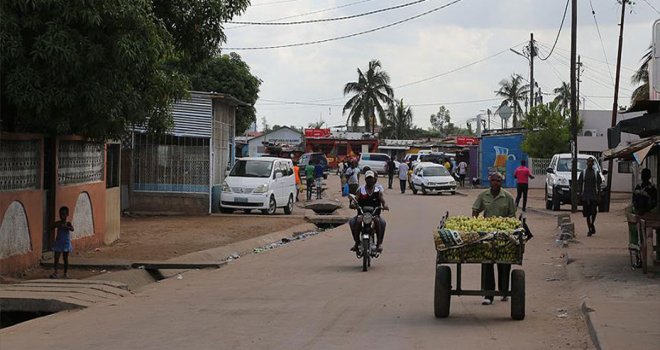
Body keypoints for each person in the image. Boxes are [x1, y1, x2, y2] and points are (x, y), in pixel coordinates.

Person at [472, 172, 516, 305]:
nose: (496, 183)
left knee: (504, 263)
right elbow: (475, 210)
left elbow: (512, 215)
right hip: (487, 234)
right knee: (487, 263)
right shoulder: (483, 195)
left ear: (501, 183)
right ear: (490, 181)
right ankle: (488, 295)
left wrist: (507, 225)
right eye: (494, 180)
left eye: (498, 181)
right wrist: (474, 224)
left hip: (503, 233)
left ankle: (503, 291)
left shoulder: (507, 197)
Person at [349, 170, 389, 252]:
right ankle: (357, 243)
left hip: (374, 215)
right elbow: (355, 199)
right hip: (362, 215)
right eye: (368, 178)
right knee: (353, 222)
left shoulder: (378, 191)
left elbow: (383, 201)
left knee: (381, 222)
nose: (370, 180)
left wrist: (385, 206)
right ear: (365, 179)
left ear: (374, 179)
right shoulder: (361, 190)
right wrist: (353, 204)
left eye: (371, 178)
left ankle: (379, 244)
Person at [577, 158, 602, 236]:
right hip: (585, 196)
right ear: (587, 163)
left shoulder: (596, 173)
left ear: (593, 164)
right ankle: (590, 228)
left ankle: (591, 226)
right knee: (587, 213)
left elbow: (599, 185)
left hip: (594, 195)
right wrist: (579, 196)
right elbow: (580, 185)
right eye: (589, 162)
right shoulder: (583, 173)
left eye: (591, 162)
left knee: (594, 212)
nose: (590, 163)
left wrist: (599, 196)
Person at [51, 206, 74, 279]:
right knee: (56, 257)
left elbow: (72, 229)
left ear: (67, 215)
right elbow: (51, 227)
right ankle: (55, 272)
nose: (62, 216)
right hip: (58, 242)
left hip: (66, 243)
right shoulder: (58, 223)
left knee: (65, 258)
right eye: (61, 214)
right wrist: (56, 225)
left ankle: (65, 272)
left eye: (64, 214)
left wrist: (66, 227)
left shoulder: (68, 223)